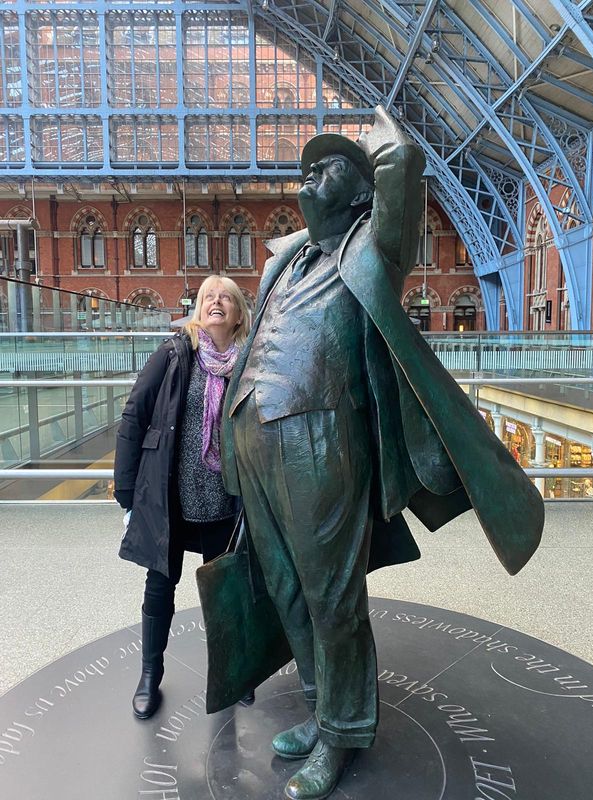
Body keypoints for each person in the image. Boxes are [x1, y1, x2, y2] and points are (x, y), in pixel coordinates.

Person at [219, 106, 543, 800]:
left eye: (330, 165)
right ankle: (319, 707)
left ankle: (341, 734)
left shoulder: (374, 246)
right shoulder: (285, 257)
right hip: (253, 434)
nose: (312, 171)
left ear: (362, 192)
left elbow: (401, 165)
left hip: (319, 433)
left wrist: (379, 127)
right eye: (307, 166)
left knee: (331, 594)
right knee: (285, 590)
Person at [114, 276, 251, 719]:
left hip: (225, 501)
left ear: (238, 313)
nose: (217, 301)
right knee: (160, 586)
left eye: (226, 296)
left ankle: (232, 671)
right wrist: (127, 487)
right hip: (172, 495)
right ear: (198, 310)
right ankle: (149, 676)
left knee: (226, 591)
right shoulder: (175, 353)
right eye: (209, 296)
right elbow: (135, 413)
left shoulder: (249, 361)